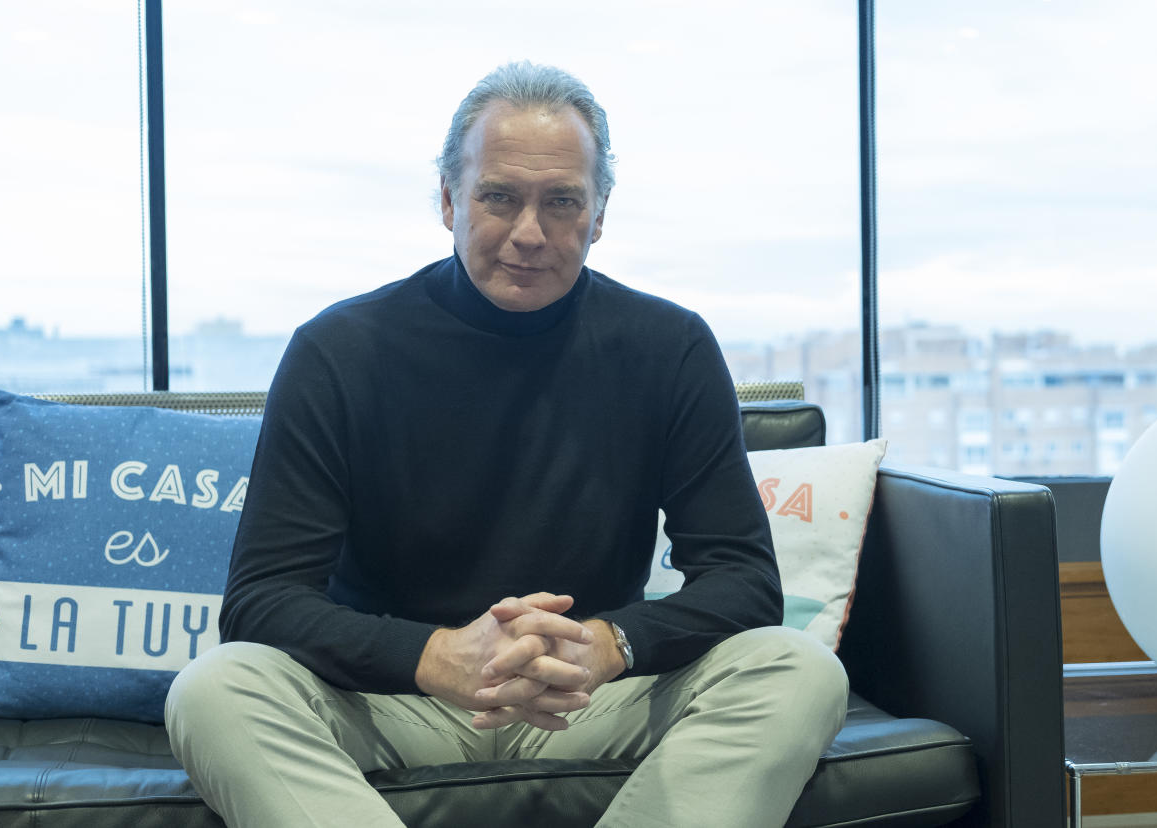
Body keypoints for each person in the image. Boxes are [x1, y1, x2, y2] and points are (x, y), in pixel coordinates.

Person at [165, 61, 848, 827]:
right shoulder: (339, 350)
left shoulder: (670, 346)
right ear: (450, 199)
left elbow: (742, 580)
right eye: (499, 197)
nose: (530, 233)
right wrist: (436, 658)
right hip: (391, 702)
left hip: (589, 695)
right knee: (215, 689)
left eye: (561, 202)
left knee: (799, 669)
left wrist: (609, 642)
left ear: (599, 214)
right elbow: (262, 602)